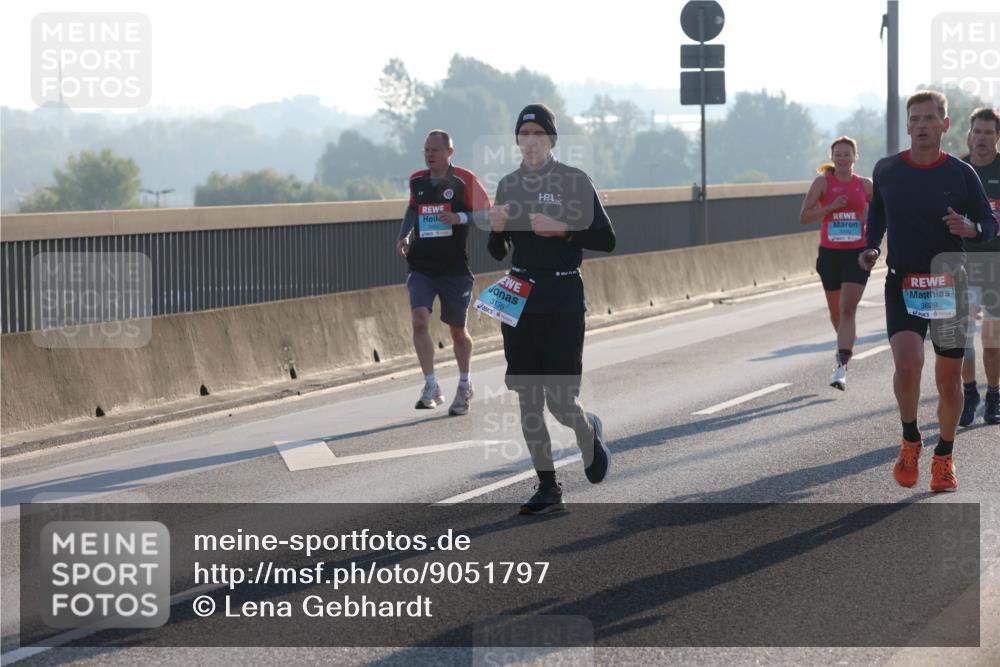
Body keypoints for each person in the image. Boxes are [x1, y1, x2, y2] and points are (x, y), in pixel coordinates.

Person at [860, 90, 997, 493]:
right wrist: (871, 246)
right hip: (902, 281)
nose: (921, 125)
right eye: (915, 119)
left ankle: (944, 456)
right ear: (907, 125)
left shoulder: (960, 173)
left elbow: (988, 223)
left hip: (948, 283)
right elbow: (877, 213)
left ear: (945, 125)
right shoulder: (887, 170)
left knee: (949, 382)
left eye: (929, 119)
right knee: (907, 363)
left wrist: (971, 229)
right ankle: (910, 439)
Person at [484, 103, 615, 515]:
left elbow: (606, 238)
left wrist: (563, 230)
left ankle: (586, 429)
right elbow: (495, 250)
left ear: (551, 140)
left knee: (560, 401)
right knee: (527, 397)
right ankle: (547, 486)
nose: (530, 142)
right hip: (519, 297)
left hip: (561, 298)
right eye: (523, 135)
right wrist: (497, 228)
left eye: (538, 134)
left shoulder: (574, 181)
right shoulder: (508, 184)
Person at [397, 130, 491, 415]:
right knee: (419, 319)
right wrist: (404, 236)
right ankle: (431, 385)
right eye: (426, 150)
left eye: (435, 150)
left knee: (457, 331)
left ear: (450, 152)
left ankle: (464, 384)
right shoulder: (417, 180)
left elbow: (488, 213)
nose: (429, 155)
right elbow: (413, 210)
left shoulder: (464, 180)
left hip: (454, 269)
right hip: (421, 265)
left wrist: (459, 217)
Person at [799, 136, 873, 390]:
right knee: (836, 313)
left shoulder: (865, 185)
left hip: (857, 254)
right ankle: (846, 340)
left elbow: (881, 215)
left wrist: (868, 222)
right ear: (832, 158)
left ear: (855, 157)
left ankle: (841, 366)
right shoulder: (822, 182)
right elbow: (804, 217)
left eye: (847, 154)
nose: (842, 159)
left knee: (848, 309)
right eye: (838, 154)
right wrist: (829, 207)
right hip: (830, 254)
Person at [959, 107, 1000, 426]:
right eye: (978, 132)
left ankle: (994, 395)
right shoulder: (957, 170)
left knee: (992, 340)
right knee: (962, 337)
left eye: (989, 132)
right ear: (969, 135)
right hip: (963, 264)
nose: (982, 138)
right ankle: (969, 391)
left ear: (997, 137)